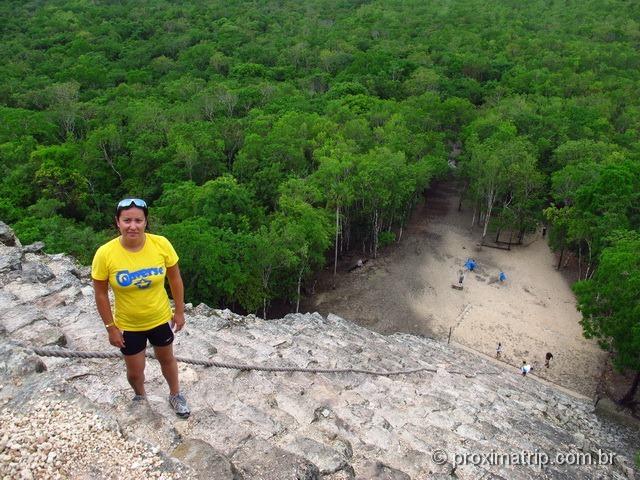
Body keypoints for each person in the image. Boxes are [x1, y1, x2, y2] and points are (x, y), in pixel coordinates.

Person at [92, 198, 190, 418]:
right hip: (129, 324)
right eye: (127, 220)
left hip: (159, 318)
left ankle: (175, 394)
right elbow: (100, 293)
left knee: (167, 359)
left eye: (138, 220)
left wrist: (180, 311)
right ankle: (140, 396)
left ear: (146, 222)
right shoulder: (105, 253)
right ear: (118, 222)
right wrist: (110, 327)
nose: (132, 226)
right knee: (135, 372)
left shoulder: (161, 244)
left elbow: (175, 279)